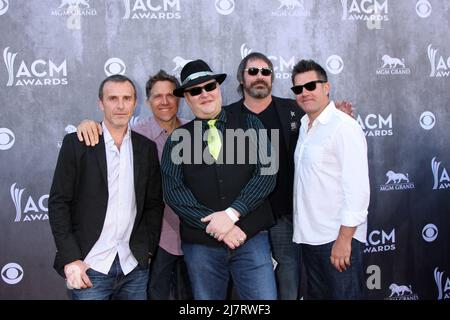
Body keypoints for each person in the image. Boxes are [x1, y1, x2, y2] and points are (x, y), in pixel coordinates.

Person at [225, 52, 353, 300]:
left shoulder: (296, 110)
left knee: (289, 284)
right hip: (246, 219)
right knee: (249, 289)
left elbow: (325, 125)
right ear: (242, 78)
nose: (260, 77)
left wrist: (339, 117)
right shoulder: (227, 117)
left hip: (286, 216)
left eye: (266, 72)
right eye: (253, 72)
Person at [161, 59, 277, 300]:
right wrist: (217, 228)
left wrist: (232, 215)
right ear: (187, 98)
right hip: (201, 246)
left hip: (251, 238)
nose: (205, 94)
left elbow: (267, 174)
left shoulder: (250, 123)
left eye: (210, 87)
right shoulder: (177, 138)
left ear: (218, 88)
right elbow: (174, 191)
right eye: (195, 90)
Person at [75, 70, 193, 300]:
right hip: (158, 238)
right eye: (158, 96)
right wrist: (87, 124)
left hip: (196, 235)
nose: (165, 101)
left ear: (179, 98)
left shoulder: (196, 132)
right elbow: (105, 132)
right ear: (147, 101)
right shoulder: (135, 137)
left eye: (170, 95)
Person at [48, 74, 164, 300]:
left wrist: (147, 251)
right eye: (113, 98)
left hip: (134, 267)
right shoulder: (77, 144)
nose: (120, 105)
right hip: (90, 266)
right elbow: (58, 203)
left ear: (135, 103)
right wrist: (71, 259)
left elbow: (153, 205)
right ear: (101, 103)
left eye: (127, 98)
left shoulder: (146, 148)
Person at [291, 59, 370, 299]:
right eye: (298, 89)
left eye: (311, 86)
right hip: (310, 239)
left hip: (336, 239)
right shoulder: (305, 125)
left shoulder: (343, 127)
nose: (305, 93)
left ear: (327, 87)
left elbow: (357, 189)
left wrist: (344, 240)